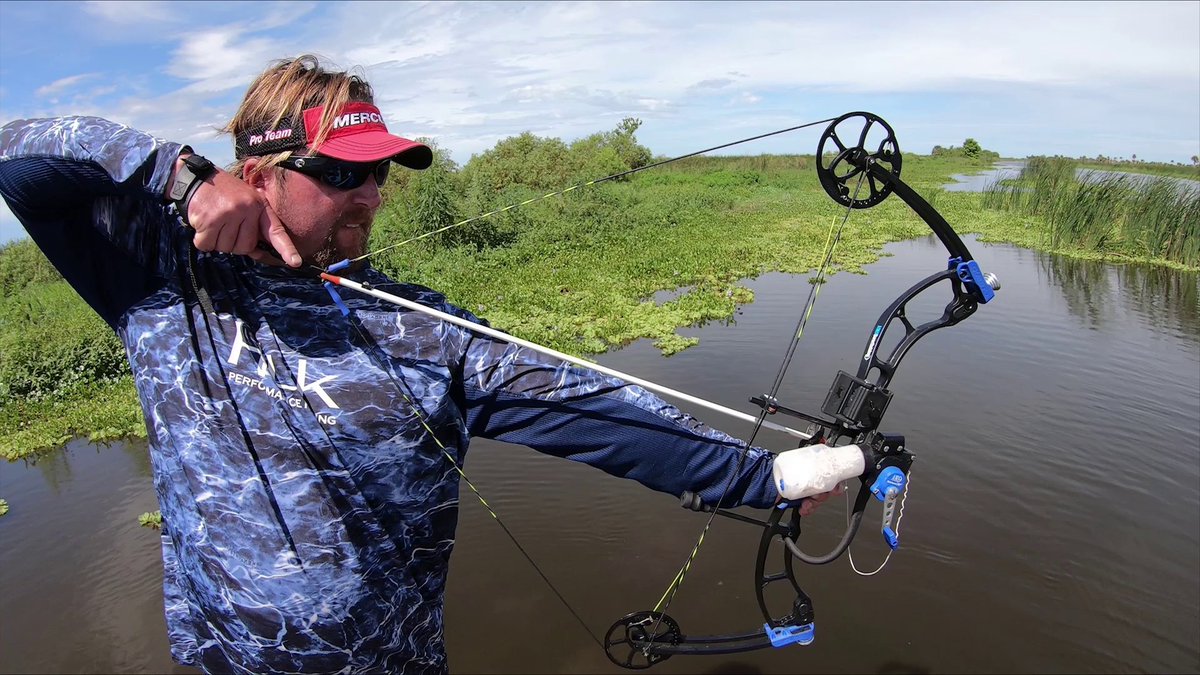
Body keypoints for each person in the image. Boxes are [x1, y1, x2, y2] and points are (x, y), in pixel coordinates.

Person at [0, 55, 836, 674]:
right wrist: (179, 176)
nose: (370, 194)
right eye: (342, 171)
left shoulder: (426, 330)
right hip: (223, 659)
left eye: (378, 172)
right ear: (257, 174)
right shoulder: (153, 275)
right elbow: (17, 155)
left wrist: (766, 477)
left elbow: (593, 411)